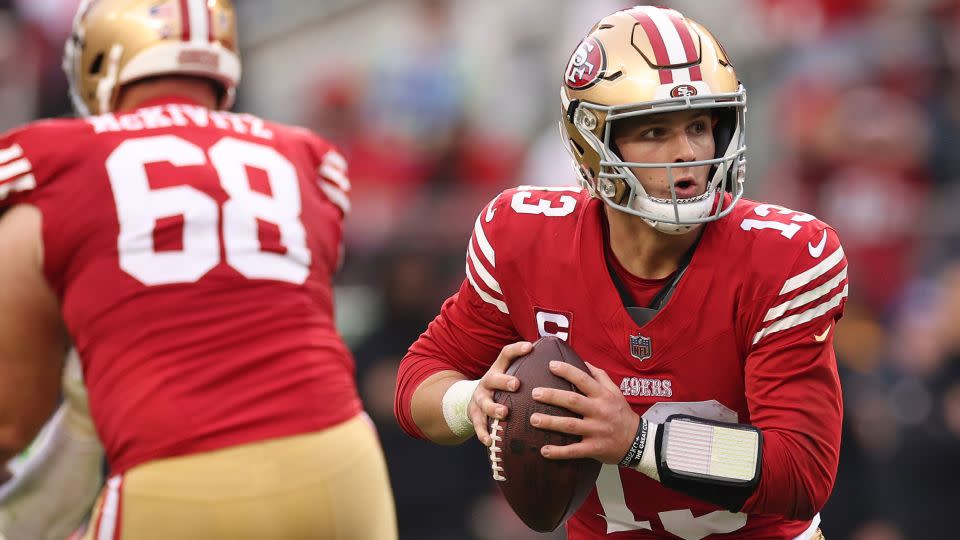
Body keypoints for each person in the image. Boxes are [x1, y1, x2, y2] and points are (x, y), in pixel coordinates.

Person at [395, 5, 845, 539]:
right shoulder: (523, 238)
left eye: (699, 126)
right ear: (593, 144)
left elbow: (802, 472)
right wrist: (469, 402)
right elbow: (417, 380)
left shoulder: (787, 257)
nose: (688, 155)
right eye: (655, 132)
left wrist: (639, 442)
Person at [0, 1, 397, 538]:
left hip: (180, 474)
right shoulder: (304, 156)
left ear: (98, 64)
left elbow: (10, 418)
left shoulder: (54, 159)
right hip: (346, 465)